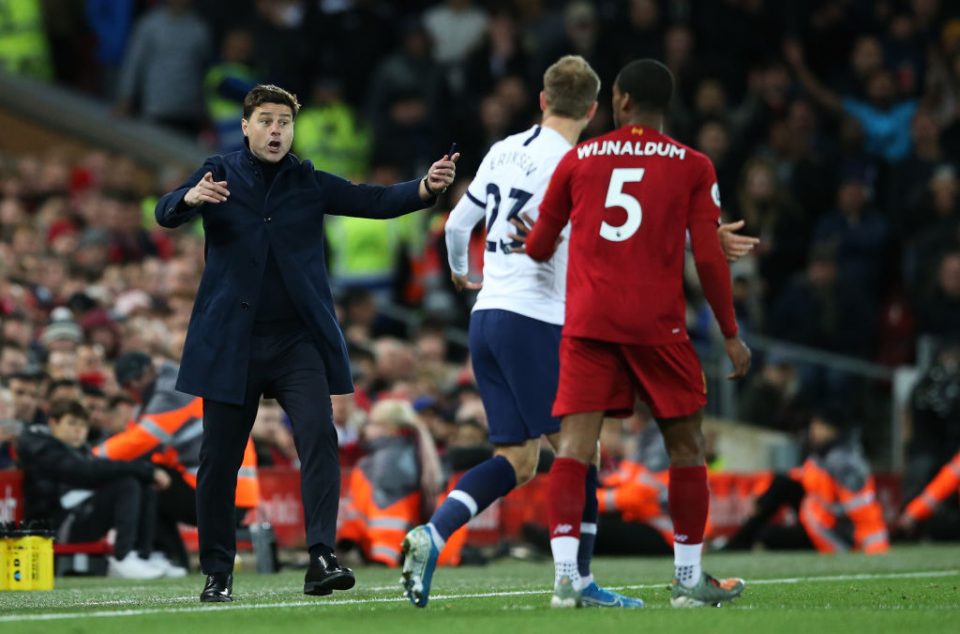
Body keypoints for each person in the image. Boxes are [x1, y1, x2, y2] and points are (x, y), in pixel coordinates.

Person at [401, 55, 755, 609]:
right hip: (538, 318)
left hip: (485, 314)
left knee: (517, 460)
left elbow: (456, 224)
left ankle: (435, 533)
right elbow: (616, 231)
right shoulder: (578, 160)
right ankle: (580, 580)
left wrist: (463, 274)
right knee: (580, 452)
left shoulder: (502, 150)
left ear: (542, 100)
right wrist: (699, 238)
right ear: (594, 109)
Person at [155, 84, 457, 603]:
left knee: (319, 436)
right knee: (220, 459)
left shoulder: (308, 180)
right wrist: (188, 197)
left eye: (285, 123)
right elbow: (165, 212)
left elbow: (375, 200)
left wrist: (425, 189)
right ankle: (218, 573)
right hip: (233, 342)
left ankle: (322, 555)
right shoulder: (218, 173)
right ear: (246, 126)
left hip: (297, 341)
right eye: (266, 121)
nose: (276, 131)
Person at [515, 59, 752, 608]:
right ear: (663, 105)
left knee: (573, 450)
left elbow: (538, 246)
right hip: (658, 325)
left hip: (590, 322)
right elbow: (710, 255)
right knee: (687, 448)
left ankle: (566, 581)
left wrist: (538, 239)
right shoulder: (693, 165)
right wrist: (730, 332)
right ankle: (689, 580)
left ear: (619, 100)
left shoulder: (578, 159)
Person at [93, 351, 260, 574]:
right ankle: (172, 559)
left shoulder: (172, 393)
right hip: (232, 490)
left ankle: (160, 556)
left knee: (149, 481)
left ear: (143, 376)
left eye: (130, 385)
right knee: (153, 476)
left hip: (223, 494)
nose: (131, 392)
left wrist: (91, 456)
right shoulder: (176, 385)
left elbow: (139, 441)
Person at [17, 399, 171, 579]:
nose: (78, 430)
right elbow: (84, 471)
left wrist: (145, 473)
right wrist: (144, 470)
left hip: (76, 515)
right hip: (54, 527)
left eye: (83, 425)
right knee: (126, 484)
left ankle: (142, 555)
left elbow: (93, 469)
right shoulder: (42, 447)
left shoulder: (78, 449)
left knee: (143, 485)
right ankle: (122, 557)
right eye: (72, 423)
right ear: (53, 423)